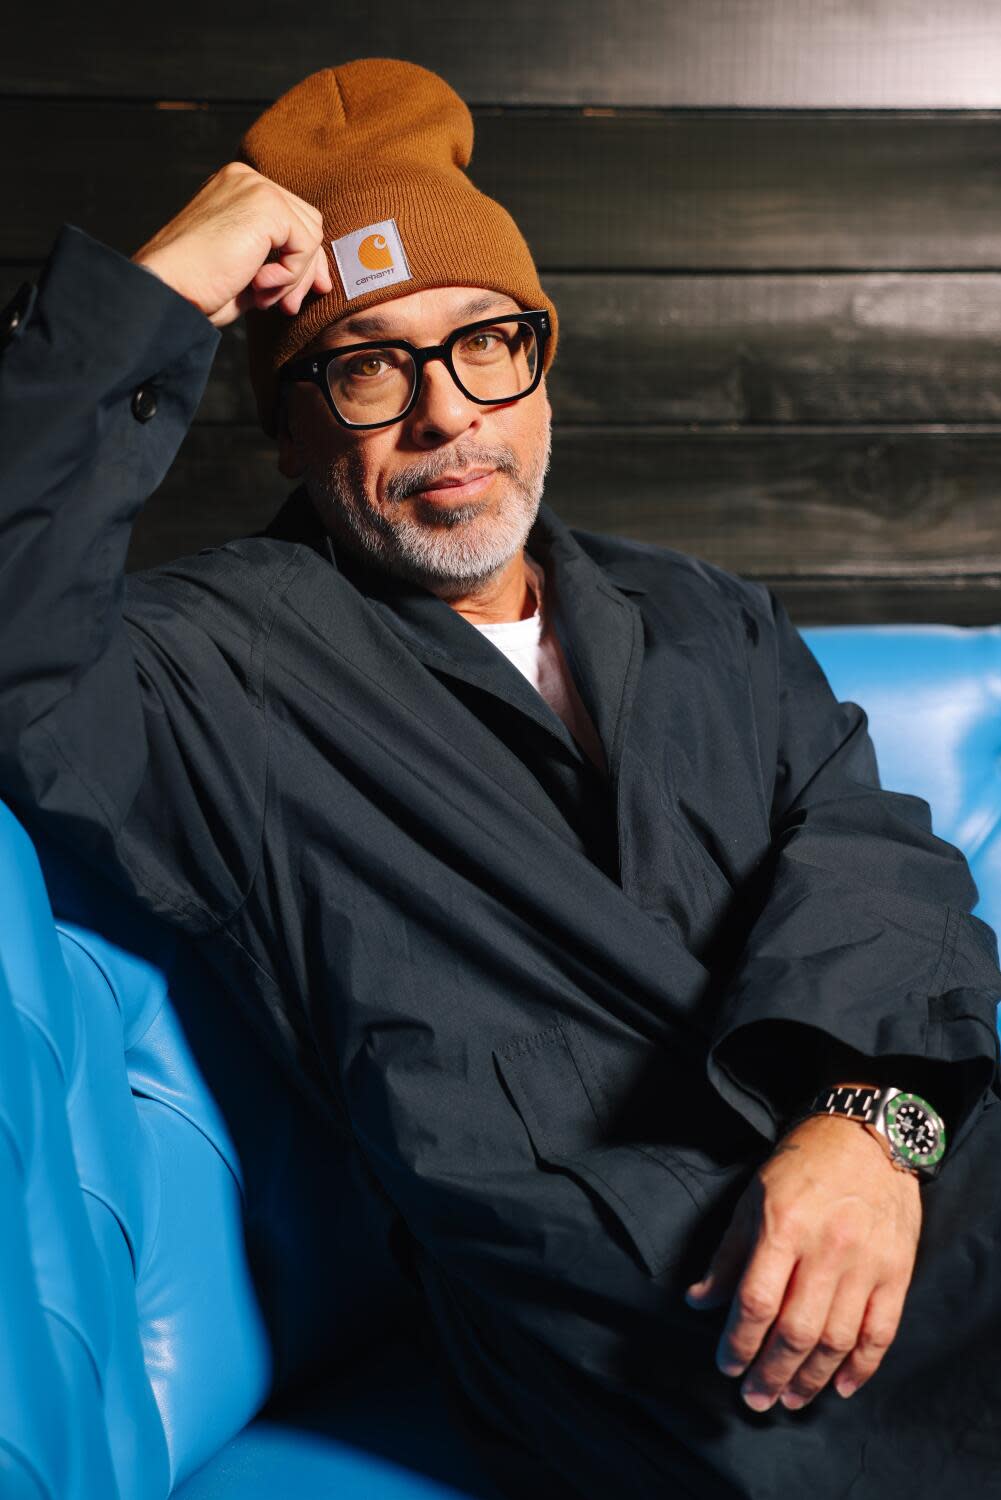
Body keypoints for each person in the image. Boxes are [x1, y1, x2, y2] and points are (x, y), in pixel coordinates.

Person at [1, 58, 1000, 1499]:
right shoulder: (202, 666)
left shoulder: (701, 611)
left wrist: (870, 1128)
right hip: (648, 1310)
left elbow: (871, 853)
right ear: (286, 425)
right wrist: (153, 292)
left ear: (542, 363)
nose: (445, 416)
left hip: (903, 1174)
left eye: (484, 344)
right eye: (364, 366)